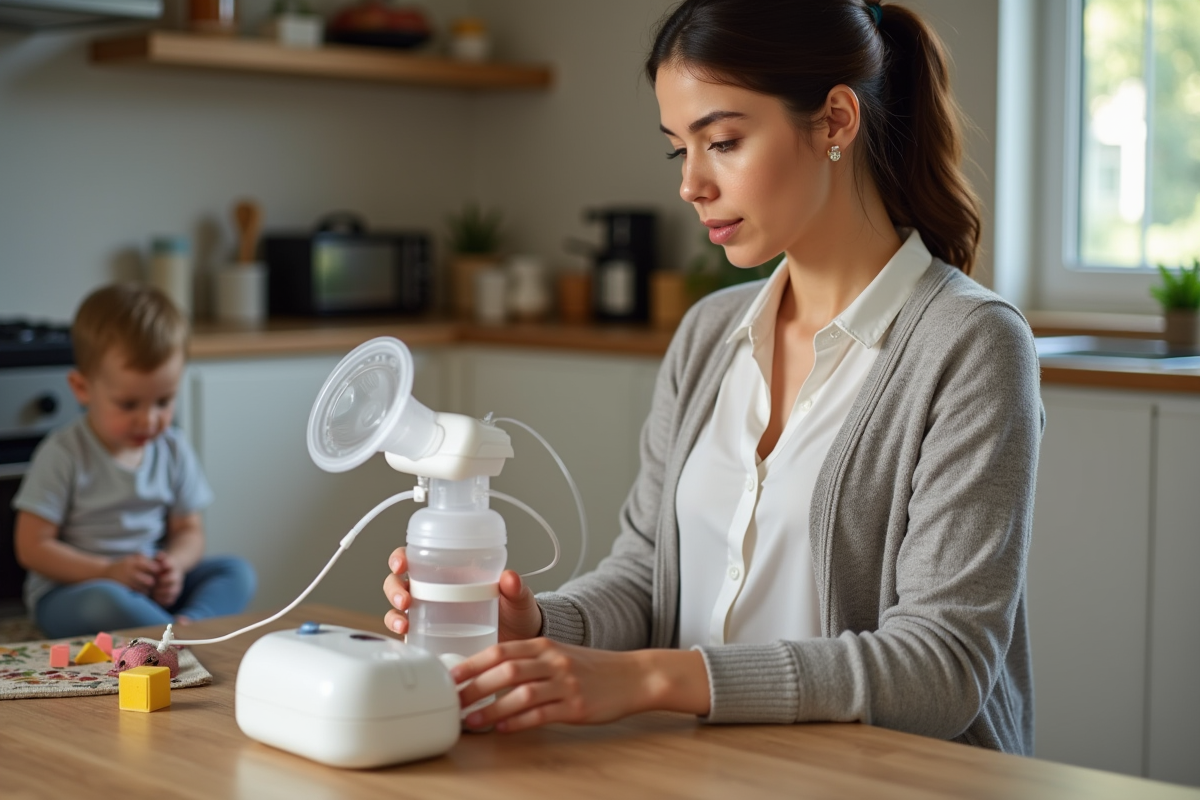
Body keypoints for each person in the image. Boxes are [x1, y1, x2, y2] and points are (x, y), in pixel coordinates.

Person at [383, 0, 1042, 754]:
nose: (691, 183)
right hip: (711, 771)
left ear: (834, 120)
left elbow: (943, 667)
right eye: (678, 151)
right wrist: (535, 625)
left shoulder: (970, 344)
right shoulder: (708, 335)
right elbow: (644, 577)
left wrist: (654, 680)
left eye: (722, 141)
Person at [13, 283, 256, 639]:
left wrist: (174, 564)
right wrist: (107, 570)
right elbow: (32, 548)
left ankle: (183, 627)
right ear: (82, 388)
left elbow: (189, 530)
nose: (149, 420)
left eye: (163, 401)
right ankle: (176, 633)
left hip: (149, 589)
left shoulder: (172, 448)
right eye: (129, 405)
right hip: (75, 591)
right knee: (105, 601)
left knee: (237, 572)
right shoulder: (64, 453)